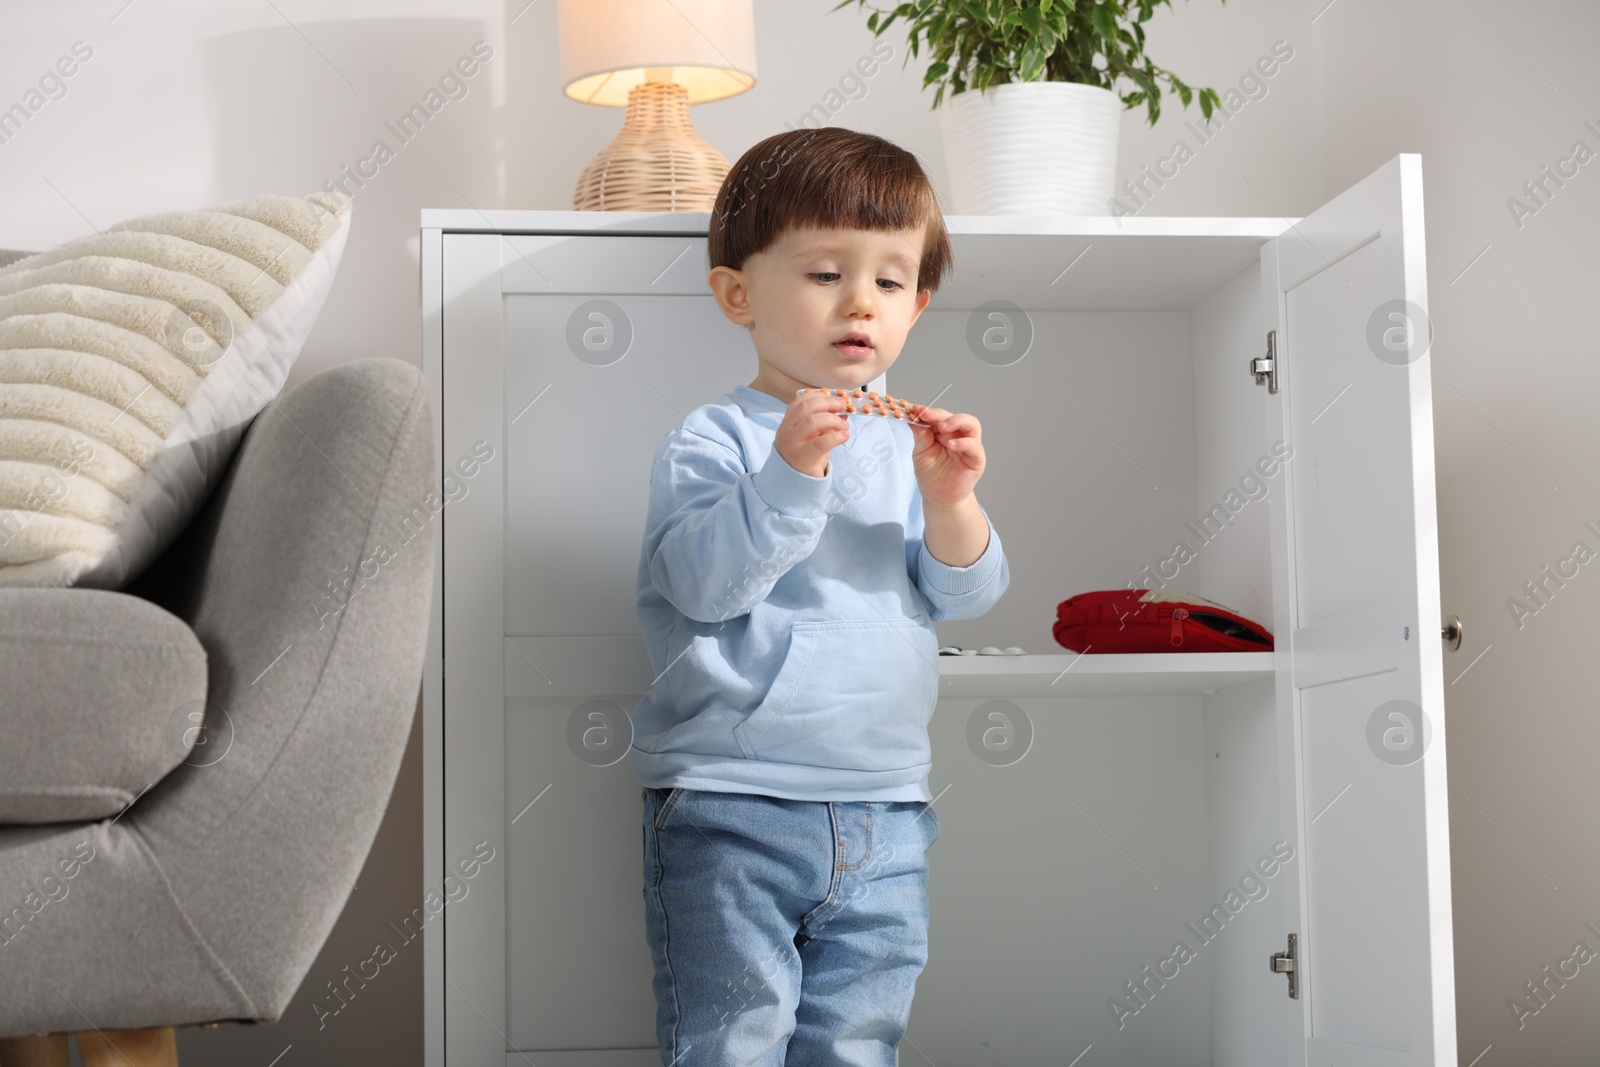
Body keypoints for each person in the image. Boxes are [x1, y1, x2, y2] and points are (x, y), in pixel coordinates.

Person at [630, 125, 1009, 1066]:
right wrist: (790, 471)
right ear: (737, 293)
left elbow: (966, 596)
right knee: (733, 1040)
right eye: (824, 272)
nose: (859, 302)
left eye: (889, 281)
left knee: (857, 1042)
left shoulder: (908, 446)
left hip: (887, 805)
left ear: (917, 306)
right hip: (733, 801)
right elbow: (704, 586)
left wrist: (951, 499)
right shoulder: (713, 439)